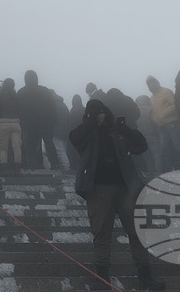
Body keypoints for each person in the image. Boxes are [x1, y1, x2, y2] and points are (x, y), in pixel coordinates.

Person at [70, 99, 165, 291]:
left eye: (101, 111)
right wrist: (91, 121)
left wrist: (124, 128)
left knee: (137, 233)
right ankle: (102, 277)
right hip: (97, 188)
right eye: (95, 112)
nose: (100, 114)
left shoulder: (117, 131)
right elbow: (75, 138)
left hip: (126, 188)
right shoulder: (86, 132)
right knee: (101, 234)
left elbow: (141, 146)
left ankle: (145, 278)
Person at [18, 70, 61, 169]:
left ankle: (34, 165)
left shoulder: (21, 92)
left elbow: (19, 110)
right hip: (46, 124)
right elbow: (52, 107)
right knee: (49, 144)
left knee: (31, 146)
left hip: (30, 125)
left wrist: (23, 123)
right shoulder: (45, 91)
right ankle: (55, 165)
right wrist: (53, 121)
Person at [146, 76, 180, 171]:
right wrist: (155, 119)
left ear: (157, 83)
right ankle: (173, 169)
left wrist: (163, 115)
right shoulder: (152, 97)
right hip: (161, 126)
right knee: (165, 148)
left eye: (153, 83)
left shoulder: (166, 91)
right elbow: (154, 111)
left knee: (178, 146)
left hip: (172, 123)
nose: (151, 85)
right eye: (149, 84)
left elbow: (175, 104)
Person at [0, 78, 22, 174]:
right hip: (16, 122)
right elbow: (20, 108)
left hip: (3, 122)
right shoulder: (16, 96)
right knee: (17, 146)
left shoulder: (0, 96)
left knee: (3, 147)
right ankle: (17, 167)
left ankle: (3, 167)